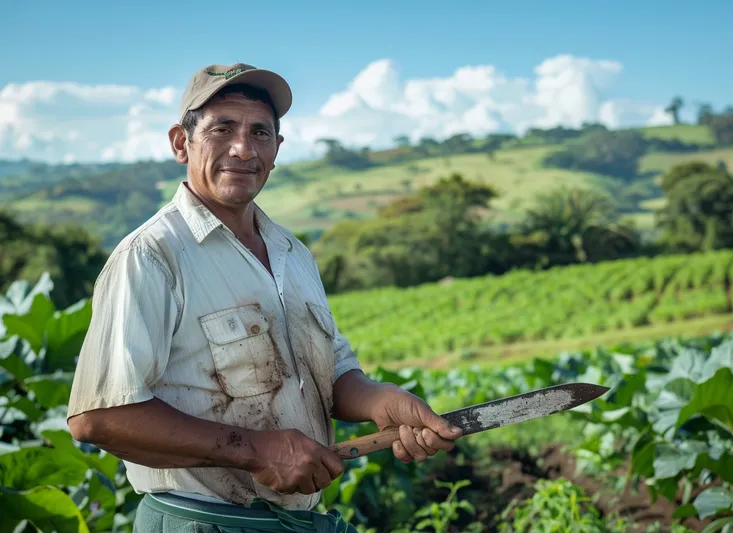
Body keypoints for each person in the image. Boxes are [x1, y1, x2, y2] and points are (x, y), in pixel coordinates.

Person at [66, 62, 464, 533]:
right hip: (203, 523)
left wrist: (382, 401)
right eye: (222, 129)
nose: (243, 148)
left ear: (277, 150)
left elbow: (330, 373)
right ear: (181, 142)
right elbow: (97, 417)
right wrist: (257, 451)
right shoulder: (151, 256)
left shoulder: (293, 253)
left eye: (260, 132)